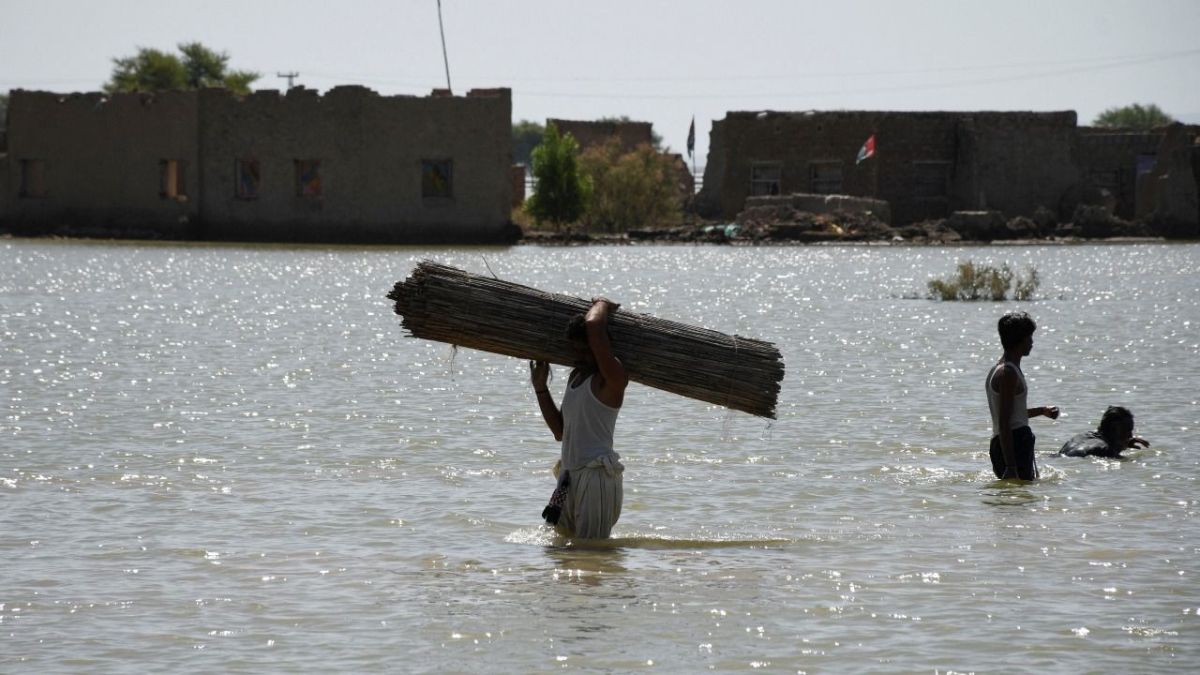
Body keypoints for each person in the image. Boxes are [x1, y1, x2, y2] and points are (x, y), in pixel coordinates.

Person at [529, 297, 628, 539]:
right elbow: (560, 432)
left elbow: (594, 327)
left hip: (596, 477)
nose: (580, 355)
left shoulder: (611, 380)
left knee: (591, 552)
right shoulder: (576, 379)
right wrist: (540, 388)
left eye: (586, 349)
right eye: (575, 349)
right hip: (569, 476)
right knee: (559, 549)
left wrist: (603, 303)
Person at [985, 312, 1060, 480]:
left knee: (1016, 500)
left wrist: (1042, 411)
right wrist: (1011, 466)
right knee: (1020, 500)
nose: (1032, 342)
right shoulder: (1008, 373)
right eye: (1029, 337)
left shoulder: (999, 369)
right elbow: (1005, 421)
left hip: (1003, 443)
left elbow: (1013, 415)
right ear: (1019, 339)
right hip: (1014, 443)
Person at [1059, 406, 1150, 458]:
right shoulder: (1106, 450)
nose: (1130, 435)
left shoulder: (1080, 437)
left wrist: (1123, 444)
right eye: (1127, 431)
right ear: (1114, 429)